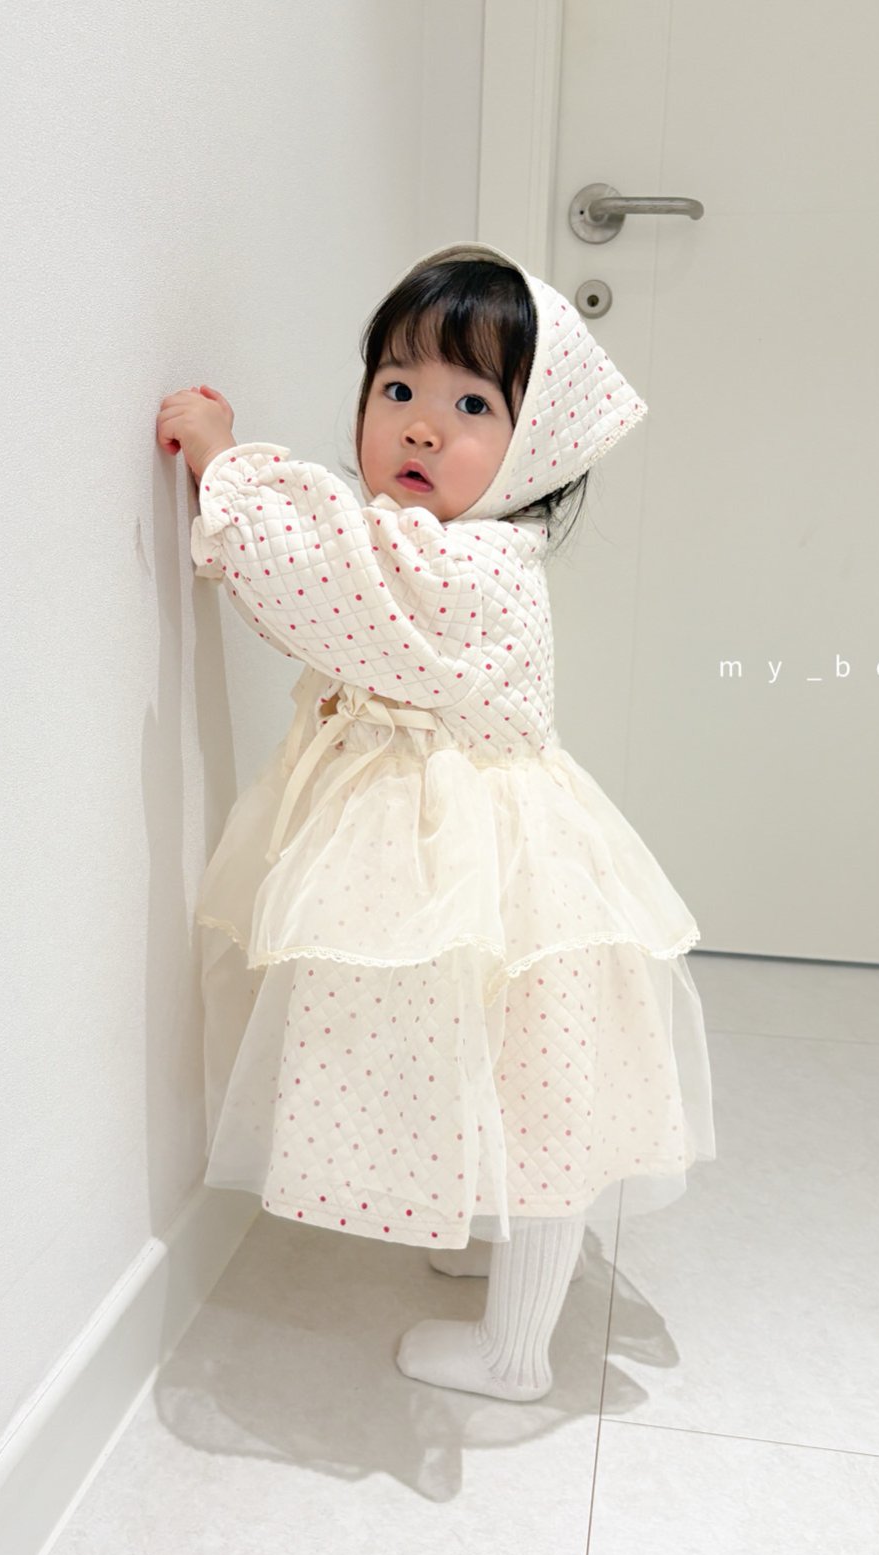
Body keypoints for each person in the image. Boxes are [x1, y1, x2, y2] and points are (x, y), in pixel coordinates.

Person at [154, 241, 716, 1404]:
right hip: (460, 844)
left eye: (471, 406)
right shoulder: (449, 548)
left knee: (539, 1105)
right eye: (397, 386)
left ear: (533, 448)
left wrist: (223, 461)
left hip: (492, 860)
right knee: (489, 1065)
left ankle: (515, 1355)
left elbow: (322, 573)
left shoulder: (464, 568)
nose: (418, 424)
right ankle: (486, 1222)